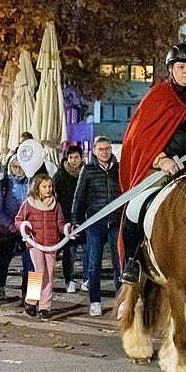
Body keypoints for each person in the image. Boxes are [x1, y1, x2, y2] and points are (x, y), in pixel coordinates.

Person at [119, 43, 186, 284]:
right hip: (164, 171)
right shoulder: (157, 97)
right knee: (135, 207)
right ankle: (132, 261)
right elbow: (139, 137)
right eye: (181, 66)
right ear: (171, 69)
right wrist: (161, 159)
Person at [73, 136, 123, 316]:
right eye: (101, 149)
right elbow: (79, 197)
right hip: (95, 222)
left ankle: (121, 303)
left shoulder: (119, 169)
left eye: (107, 148)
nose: (104, 152)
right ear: (94, 150)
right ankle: (95, 301)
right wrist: (75, 221)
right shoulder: (87, 170)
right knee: (94, 264)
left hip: (116, 222)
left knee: (120, 265)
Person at [16, 175, 65, 320]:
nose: (48, 189)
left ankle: (45, 307)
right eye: (44, 186)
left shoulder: (56, 205)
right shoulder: (28, 204)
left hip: (51, 244)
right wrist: (24, 228)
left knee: (49, 274)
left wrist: (68, 229)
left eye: (50, 186)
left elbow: (60, 224)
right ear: (37, 187)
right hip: (35, 243)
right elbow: (18, 220)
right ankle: (31, 301)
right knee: (39, 271)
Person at [0, 154, 31, 300]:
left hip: (27, 229)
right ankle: (0, 287)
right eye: (15, 166)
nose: (19, 170)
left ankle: (28, 294)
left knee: (30, 263)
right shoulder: (5, 184)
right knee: (3, 259)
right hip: (8, 228)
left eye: (21, 166)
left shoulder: (32, 182)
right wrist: (10, 225)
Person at [53, 145, 86, 293]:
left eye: (76, 157)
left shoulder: (87, 172)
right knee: (69, 251)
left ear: (81, 157)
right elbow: (54, 195)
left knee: (87, 250)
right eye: (71, 157)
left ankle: (87, 279)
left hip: (85, 217)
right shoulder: (60, 175)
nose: (73, 160)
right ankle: (69, 280)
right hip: (66, 218)